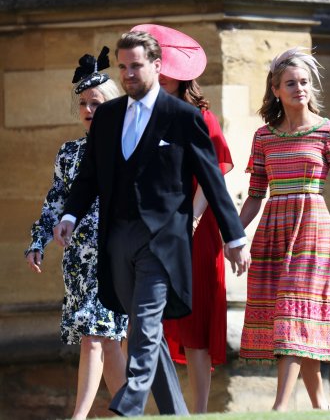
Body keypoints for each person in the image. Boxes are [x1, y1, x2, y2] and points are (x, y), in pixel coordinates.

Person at [53, 31, 250, 416]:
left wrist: (235, 237)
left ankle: (129, 402)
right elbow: (90, 174)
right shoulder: (108, 116)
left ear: (158, 66)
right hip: (117, 241)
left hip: (162, 241)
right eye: (123, 66)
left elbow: (212, 179)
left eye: (136, 65)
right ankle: (176, 412)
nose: (128, 74)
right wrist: (70, 215)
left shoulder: (184, 118)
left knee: (143, 322)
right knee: (147, 330)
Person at [237, 47, 330, 411]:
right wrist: (233, 234)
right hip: (272, 232)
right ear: (276, 88)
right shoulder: (263, 137)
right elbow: (254, 196)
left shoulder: (329, 131)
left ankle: (279, 408)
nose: (299, 88)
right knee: (301, 322)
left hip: (313, 232)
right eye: (290, 83)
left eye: (303, 82)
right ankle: (322, 409)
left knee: (293, 313)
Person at [130, 23, 234, 414]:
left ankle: (201, 410)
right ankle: (167, 407)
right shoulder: (141, 116)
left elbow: (216, 170)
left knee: (196, 324)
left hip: (197, 229)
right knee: (149, 320)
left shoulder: (200, 118)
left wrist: (192, 216)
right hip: (156, 229)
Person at [25, 47, 127, 420]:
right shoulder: (68, 153)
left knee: (95, 336)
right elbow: (54, 201)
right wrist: (38, 241)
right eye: (83, 103)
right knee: (107, 341)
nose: (88, 110)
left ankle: (78, 417)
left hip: (115, 256)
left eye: (97, 103)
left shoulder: (128, 150)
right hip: (77, 260)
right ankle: (131, 414)